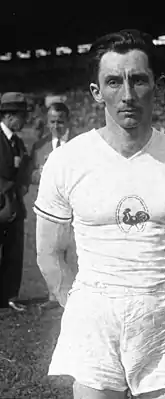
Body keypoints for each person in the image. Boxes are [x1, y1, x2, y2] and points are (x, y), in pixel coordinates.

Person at [35, 29, 165, 399]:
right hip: (93, 326)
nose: (127, 95)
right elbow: (48, 253)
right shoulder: (66, 161)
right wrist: (82, 305)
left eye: (138, 80)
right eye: (114, 82)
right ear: (97, 91)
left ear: (158, 85)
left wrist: (164, 304)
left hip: (164, 325)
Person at [31, 98, 77, 309]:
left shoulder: (80, 144)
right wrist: (39, 174)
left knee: (76, 253)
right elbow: (28, 174)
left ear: (68, 121)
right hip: (50, 209)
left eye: (59, 121)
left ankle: (77, 295)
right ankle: (55, 296)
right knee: (51, 251)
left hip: (76, 207)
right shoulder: (40, 146)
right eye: (52, 122)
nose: (56, 126)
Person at [0, 92, 33, 312]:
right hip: (1, 201)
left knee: (13, 251)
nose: (25, 121)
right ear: (10, 116)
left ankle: (8, 296)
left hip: (14, 204)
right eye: (22, 116)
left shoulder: (18, 142)